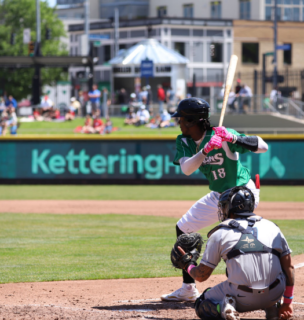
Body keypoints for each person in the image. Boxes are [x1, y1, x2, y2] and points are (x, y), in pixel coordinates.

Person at [161, 97, 268, 303]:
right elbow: (187, 169)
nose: (179, 122)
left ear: (192, 121)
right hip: (219, 195)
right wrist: (206, 150)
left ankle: (251, 286)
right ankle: (188, 288)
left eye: (181, 118)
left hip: (241, 193)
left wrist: (232, 138)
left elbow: (263, 146)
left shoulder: (222, 134)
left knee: (233, 237)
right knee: (184, 227)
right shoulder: (184, 141)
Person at [181, 186, 294, 320]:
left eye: (224, 206)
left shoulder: (219, 233)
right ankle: (273, 308)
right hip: (274, 294)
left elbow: (201, 276)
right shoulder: (273, 228)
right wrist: (288, 302)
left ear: (231, 207)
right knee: (272, 270)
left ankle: (224, 307)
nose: (222, 210)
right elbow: (289, 268)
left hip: (242, 298)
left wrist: (188, 264)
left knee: (202, 304)